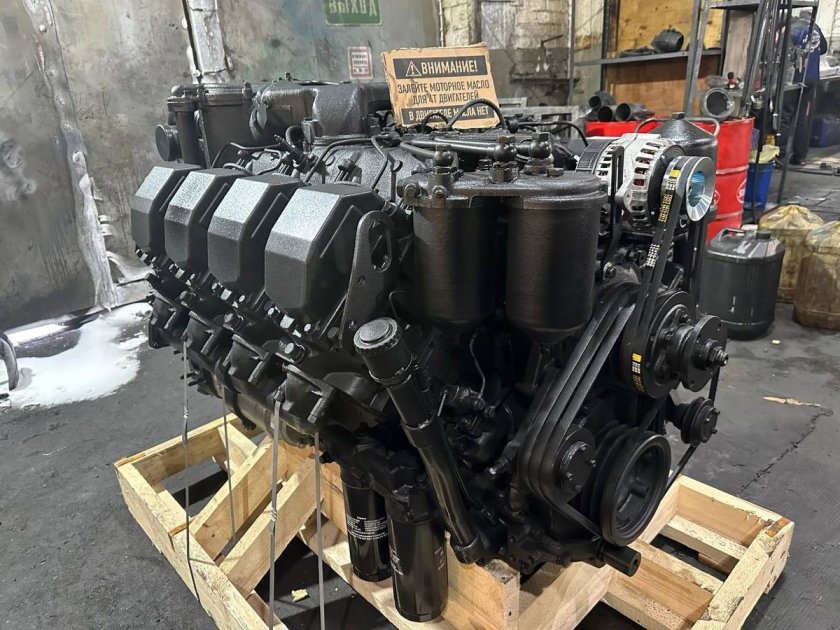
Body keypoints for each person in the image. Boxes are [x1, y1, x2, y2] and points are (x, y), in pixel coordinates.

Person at [779, 10, 828, 165]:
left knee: (784, 117)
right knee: (802, 117)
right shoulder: (816, 28)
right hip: (812, 78)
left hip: (794, 80)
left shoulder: (791, 29)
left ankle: (779, 156)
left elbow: (782, 54)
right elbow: (823, 48)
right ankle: (800, 156)